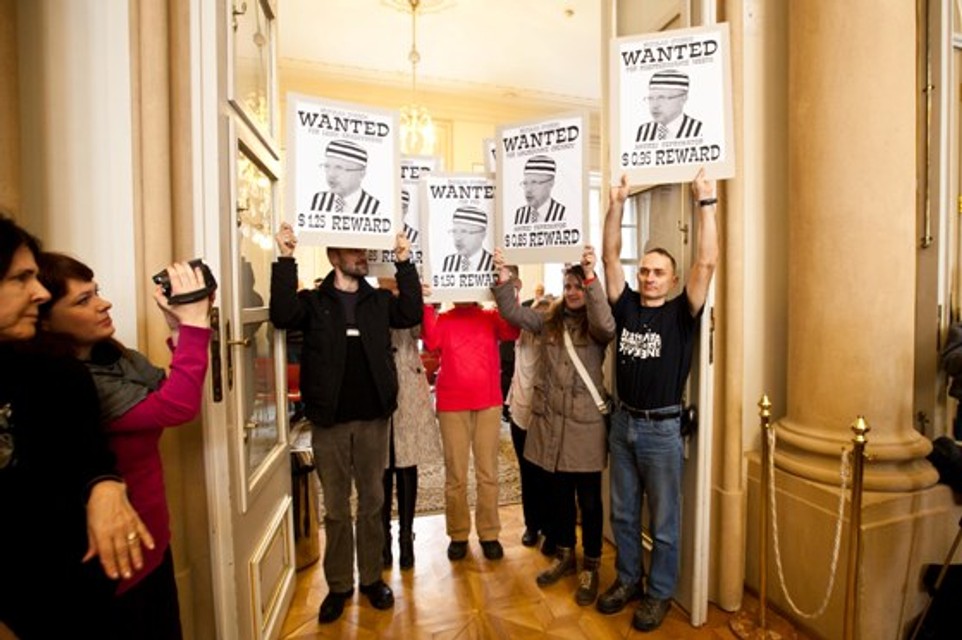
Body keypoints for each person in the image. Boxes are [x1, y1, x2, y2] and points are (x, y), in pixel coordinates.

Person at [34, 252, 212, 639]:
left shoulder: (116, 356)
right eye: (83, 300)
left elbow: (171, 387)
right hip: (113, 558)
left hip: (151, 536)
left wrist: (179, 328)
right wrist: (196, 323)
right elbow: (178, 406)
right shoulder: (73, 382)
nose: (104, 303)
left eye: (96, 291)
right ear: (44, 318)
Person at [0, 214, 153, 639]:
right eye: (21, 278)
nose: (38, 293)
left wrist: (105, 485)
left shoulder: (59, 371)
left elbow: (88, 455)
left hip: (77, 589)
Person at [269, 223, 422, 624]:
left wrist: (405, 263)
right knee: (336, 508)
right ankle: (339, 585)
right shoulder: (313, 302)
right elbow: (281, 315)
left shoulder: (378, 301)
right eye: (353, 249)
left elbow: (411, 312)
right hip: (330, 422)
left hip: (374, 420)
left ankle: (371, 578)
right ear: (333, 256)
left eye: (364, 249)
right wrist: (285, 257)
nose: (362, 255)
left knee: (372, 502)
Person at [597, 169, 718, 632]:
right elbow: (609, 256)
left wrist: (706, 203)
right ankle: (629, 579)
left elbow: (706, 262)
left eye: (658, 272)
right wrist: (617, 204)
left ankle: (660, 593)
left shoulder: (683, 313)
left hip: (662, 430)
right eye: (645, 271)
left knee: (665, 521)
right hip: (623, 425)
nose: (649, 278)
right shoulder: (626, 305)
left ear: (672, 279)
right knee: (623, 513)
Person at [493, 245, 615, 606]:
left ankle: (591, 565)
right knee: (559, 495)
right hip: (550, 424)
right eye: (569, 286)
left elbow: (607, 327)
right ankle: (565, 554)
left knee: (589, 501)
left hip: (584, 425)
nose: (573, 292)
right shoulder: (549, 317)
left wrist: (591, 277)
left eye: (579, 286)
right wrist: (504, 277)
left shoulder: (597, 322)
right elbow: (512, 313)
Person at [420, 295, 519, 562]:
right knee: (456, 474)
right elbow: (431, 341)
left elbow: (512, 330)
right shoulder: (443, 319)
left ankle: (489, 533)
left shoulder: (491, 316)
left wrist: (504, 292)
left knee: (488, 473)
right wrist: (427, 301)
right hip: (452, 404)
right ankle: (458, 534)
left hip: (488, 401)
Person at [378, 278, 441, 571]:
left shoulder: (411, 298)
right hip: (378, 383)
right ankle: (383, 538)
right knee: (382, 464)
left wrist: (424, 300)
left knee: (407, 461)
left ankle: (406, 537)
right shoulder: (371, 299)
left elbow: (425, 334)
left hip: (408, 383)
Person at [310, 139, 381, 215]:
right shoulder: (319, 200)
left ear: (361, 174)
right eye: (327, 166)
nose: (331, 174)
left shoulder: (375, 208)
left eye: (339, 168)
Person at [635, 69, 703, 142]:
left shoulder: (699, 130)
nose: (655, 105)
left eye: (662, 98)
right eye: (650, 98)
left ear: (683, 98)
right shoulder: (644, 131)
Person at [514, 154, 566, 225]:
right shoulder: (520, 214)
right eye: (525, 183)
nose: (528, 190)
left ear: (551, 183)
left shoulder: (563, 214)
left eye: (534, 183)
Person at [441, 206, 494, 272]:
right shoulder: (449, 262)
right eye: (454, 231)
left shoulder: (493, 263)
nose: (458, 238)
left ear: (482, 235)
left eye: (464, 232)